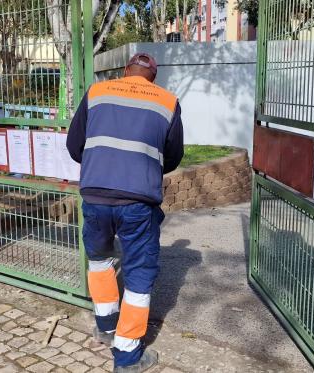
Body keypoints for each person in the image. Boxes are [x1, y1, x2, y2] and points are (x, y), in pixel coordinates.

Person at [66, 53, 184, 372]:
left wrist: (103, 166)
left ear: (123, 72)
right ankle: (128, 356)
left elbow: (74, 145)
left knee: (101, 260)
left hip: (95, 194)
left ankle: (106, 328)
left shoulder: (97, 92)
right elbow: (172, 157)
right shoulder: (167, 101)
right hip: (137, 202)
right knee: (139, 274)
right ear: (153, 78)